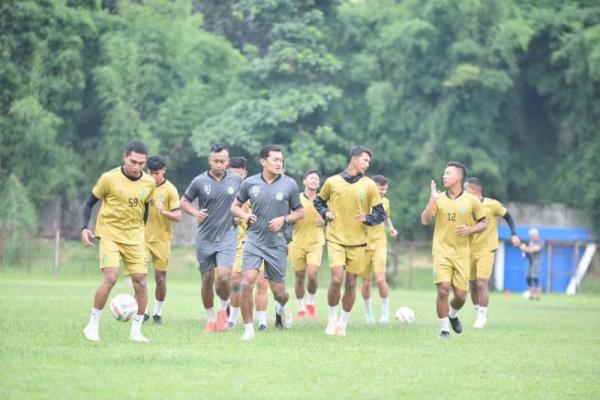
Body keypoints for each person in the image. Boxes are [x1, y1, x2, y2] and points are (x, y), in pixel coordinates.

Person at [81, 140, 156, 342]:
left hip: (135, 238)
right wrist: (84, 227)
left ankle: (136, 331)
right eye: (133, 161)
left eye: (141, 163)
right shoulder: (109, 178)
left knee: (140, 281)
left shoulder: (149, 182)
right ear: (124, 157)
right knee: (111, 277)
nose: (137, 166)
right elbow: (89, 203)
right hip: (110, 234)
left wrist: (142, 234)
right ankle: (92, 326)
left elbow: (146, 209)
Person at [231, 144, 304, 341]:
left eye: (281, 160)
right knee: (246, 283)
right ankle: (248, 330)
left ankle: (282, 307)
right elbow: (235, 207)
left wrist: (284, 219)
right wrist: (245, 215)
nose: (279, 163)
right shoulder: (249, 183)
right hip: (254, 241)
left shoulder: (290, 184)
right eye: (275, 160)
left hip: (277, 244)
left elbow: (300, 212)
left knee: (279, 292)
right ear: (263, 162)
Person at [314, 145, 386, 337]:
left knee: (352, 284)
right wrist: (325, 212)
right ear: (354, 159)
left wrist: (368, 218)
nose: (367, 164)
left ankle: (343, 323)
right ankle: (331, 318)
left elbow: (380, 214)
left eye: (369, 162)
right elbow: (318, 201)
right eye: (365, 160)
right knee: (337, 279)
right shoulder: (332, 182)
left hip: (359, 242)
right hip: (336, 239)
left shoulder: (369, 185)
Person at [420, 161, 487, 338]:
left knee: (461, 296)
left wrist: (470, 229)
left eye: (448, 173)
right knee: (443, 289)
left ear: (459, 177)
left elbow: (484, 223)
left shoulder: (472, 200)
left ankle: (452, 314)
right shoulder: (439, 198)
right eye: (444, 173)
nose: (444, 176)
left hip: (462, 255)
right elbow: (425, 220)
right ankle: (444, 330)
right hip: (441, 252)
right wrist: (432, 200)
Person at [181, 144, 242, 333]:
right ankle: (210, 319)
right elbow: (184, 202)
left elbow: (245, 202)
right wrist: (195, 213)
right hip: (205, 237)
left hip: (228, 235)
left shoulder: (237, 180)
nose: (219, 164)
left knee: (224, 277)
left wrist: (241, 214)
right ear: (210, 161)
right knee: (207, 279)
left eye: (222, 161)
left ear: (228, 162)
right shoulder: (199, 181)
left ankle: (223, 310)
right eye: (215, 161)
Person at [464, 177, 520, 329]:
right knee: (473, 285)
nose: (463, 192)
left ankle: (482, 316)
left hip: (487, 249)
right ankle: (478, 313)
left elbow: (508, 216)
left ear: (474, 189)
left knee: (482, 283)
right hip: (469, 250)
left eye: (465, 189)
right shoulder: (465, 206)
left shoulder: (492, 204)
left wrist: (514, 234)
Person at [144, 155, 182, 324]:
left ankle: (157, 313)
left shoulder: (170, 190)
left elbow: (178, 216)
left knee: (160, 278)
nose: (153, 176)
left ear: (164, 170)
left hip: (162, 240)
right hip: (141, 239)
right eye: (150, 172)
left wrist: (164, 212)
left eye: (156, 173)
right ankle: (142, 311)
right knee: (139, 276)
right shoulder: (142, 186)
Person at [359, 175, 398, 324]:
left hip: (380, 243)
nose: (383, 191)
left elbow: (386, 217)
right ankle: (368, 314)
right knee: (366, 282)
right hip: (363, 243)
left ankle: (385, 314)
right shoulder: (363, 200)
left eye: (385, 188)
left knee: (381, 279)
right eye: (380, 188)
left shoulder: (386, 202)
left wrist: (391, 227)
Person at [288, 170, 326, 320]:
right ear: (304, 182)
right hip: (297, 243)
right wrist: (294, 217)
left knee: (312, 274)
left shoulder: (323, 200)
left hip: (316, 242)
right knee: (299, 277)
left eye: (317, 178)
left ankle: (311, 302)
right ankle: (300, 307)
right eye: (311, 178)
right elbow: (288, 216)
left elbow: (332, 217)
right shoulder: (296, 199)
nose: (314, 181)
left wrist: (325, 221)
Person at [521, 228, 543, 300]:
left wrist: (526, 249)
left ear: (536, 235)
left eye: (533, 235)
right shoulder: (530, 242)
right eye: (531, 236)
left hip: (536, 262)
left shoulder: (539, 241)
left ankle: (539, 296)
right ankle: (531, 295)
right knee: (528, 278)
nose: (532, 237)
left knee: (535, 278)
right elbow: (526, 250)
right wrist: (524, 253)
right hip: (529, 262)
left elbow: (536, 248)